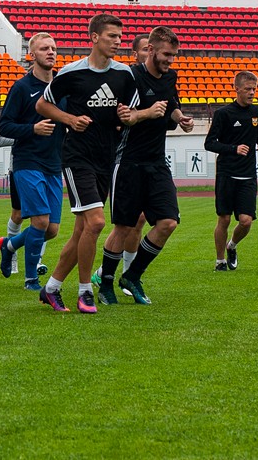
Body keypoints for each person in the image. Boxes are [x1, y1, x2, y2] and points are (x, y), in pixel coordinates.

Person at [34, 14, 136, 313]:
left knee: (82, 232)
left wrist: (125, 118)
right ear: (94, 38)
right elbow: (42, 104)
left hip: (107, 157)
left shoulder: (124, 75)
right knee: (97, 222)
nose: (117, 41)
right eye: (111, 36)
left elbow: (130, 110)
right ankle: (84, 291)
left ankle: (51, 288)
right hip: (77, 157)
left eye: (120, 36)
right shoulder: (71, 73)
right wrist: (69, 119)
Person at [98, 25, 195, 306]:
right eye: (166, 54)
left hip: (156, 163)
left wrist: (180, 118)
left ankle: (133, 275)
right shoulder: (129, 76)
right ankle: (105, 284)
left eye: (174, 55)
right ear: (150, 50)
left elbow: (170, 101)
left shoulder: (169, 76)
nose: (170, 60)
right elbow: (123, 117)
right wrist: (147, 113)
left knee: (168, 223)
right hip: (127, 161)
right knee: (124, 227)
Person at [0, 32, 64, 290]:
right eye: (44, 48)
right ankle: (31, 280)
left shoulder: (61, 87)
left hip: (53, 164)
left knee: (52, 230)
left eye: (54, 48)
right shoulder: (22, 88)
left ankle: (10, 245)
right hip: (27, 162)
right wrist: (32, 130)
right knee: (40, 222)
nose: (51, 52)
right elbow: (4, 126)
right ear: (32, 54)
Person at [92, 32, 152, 288]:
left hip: (148, 156)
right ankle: (108, 273)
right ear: (135, 55)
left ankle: (126, 272)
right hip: (122, 156)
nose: (150, 55)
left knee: (141, 220)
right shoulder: (126, 80)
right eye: (145, 51)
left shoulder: (161, 80)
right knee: (125, 221)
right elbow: (117, 114)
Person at [205, 71, 258, 271]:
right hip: (226, 173)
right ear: (237, 89)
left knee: (246, 221)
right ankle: (220, 260)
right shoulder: (223, 114)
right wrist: (233, 149)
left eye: (254, 89)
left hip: (248, 174)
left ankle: (232, 245)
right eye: (248, 89)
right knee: (224, 218)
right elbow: (209, 143)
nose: (252, 92)